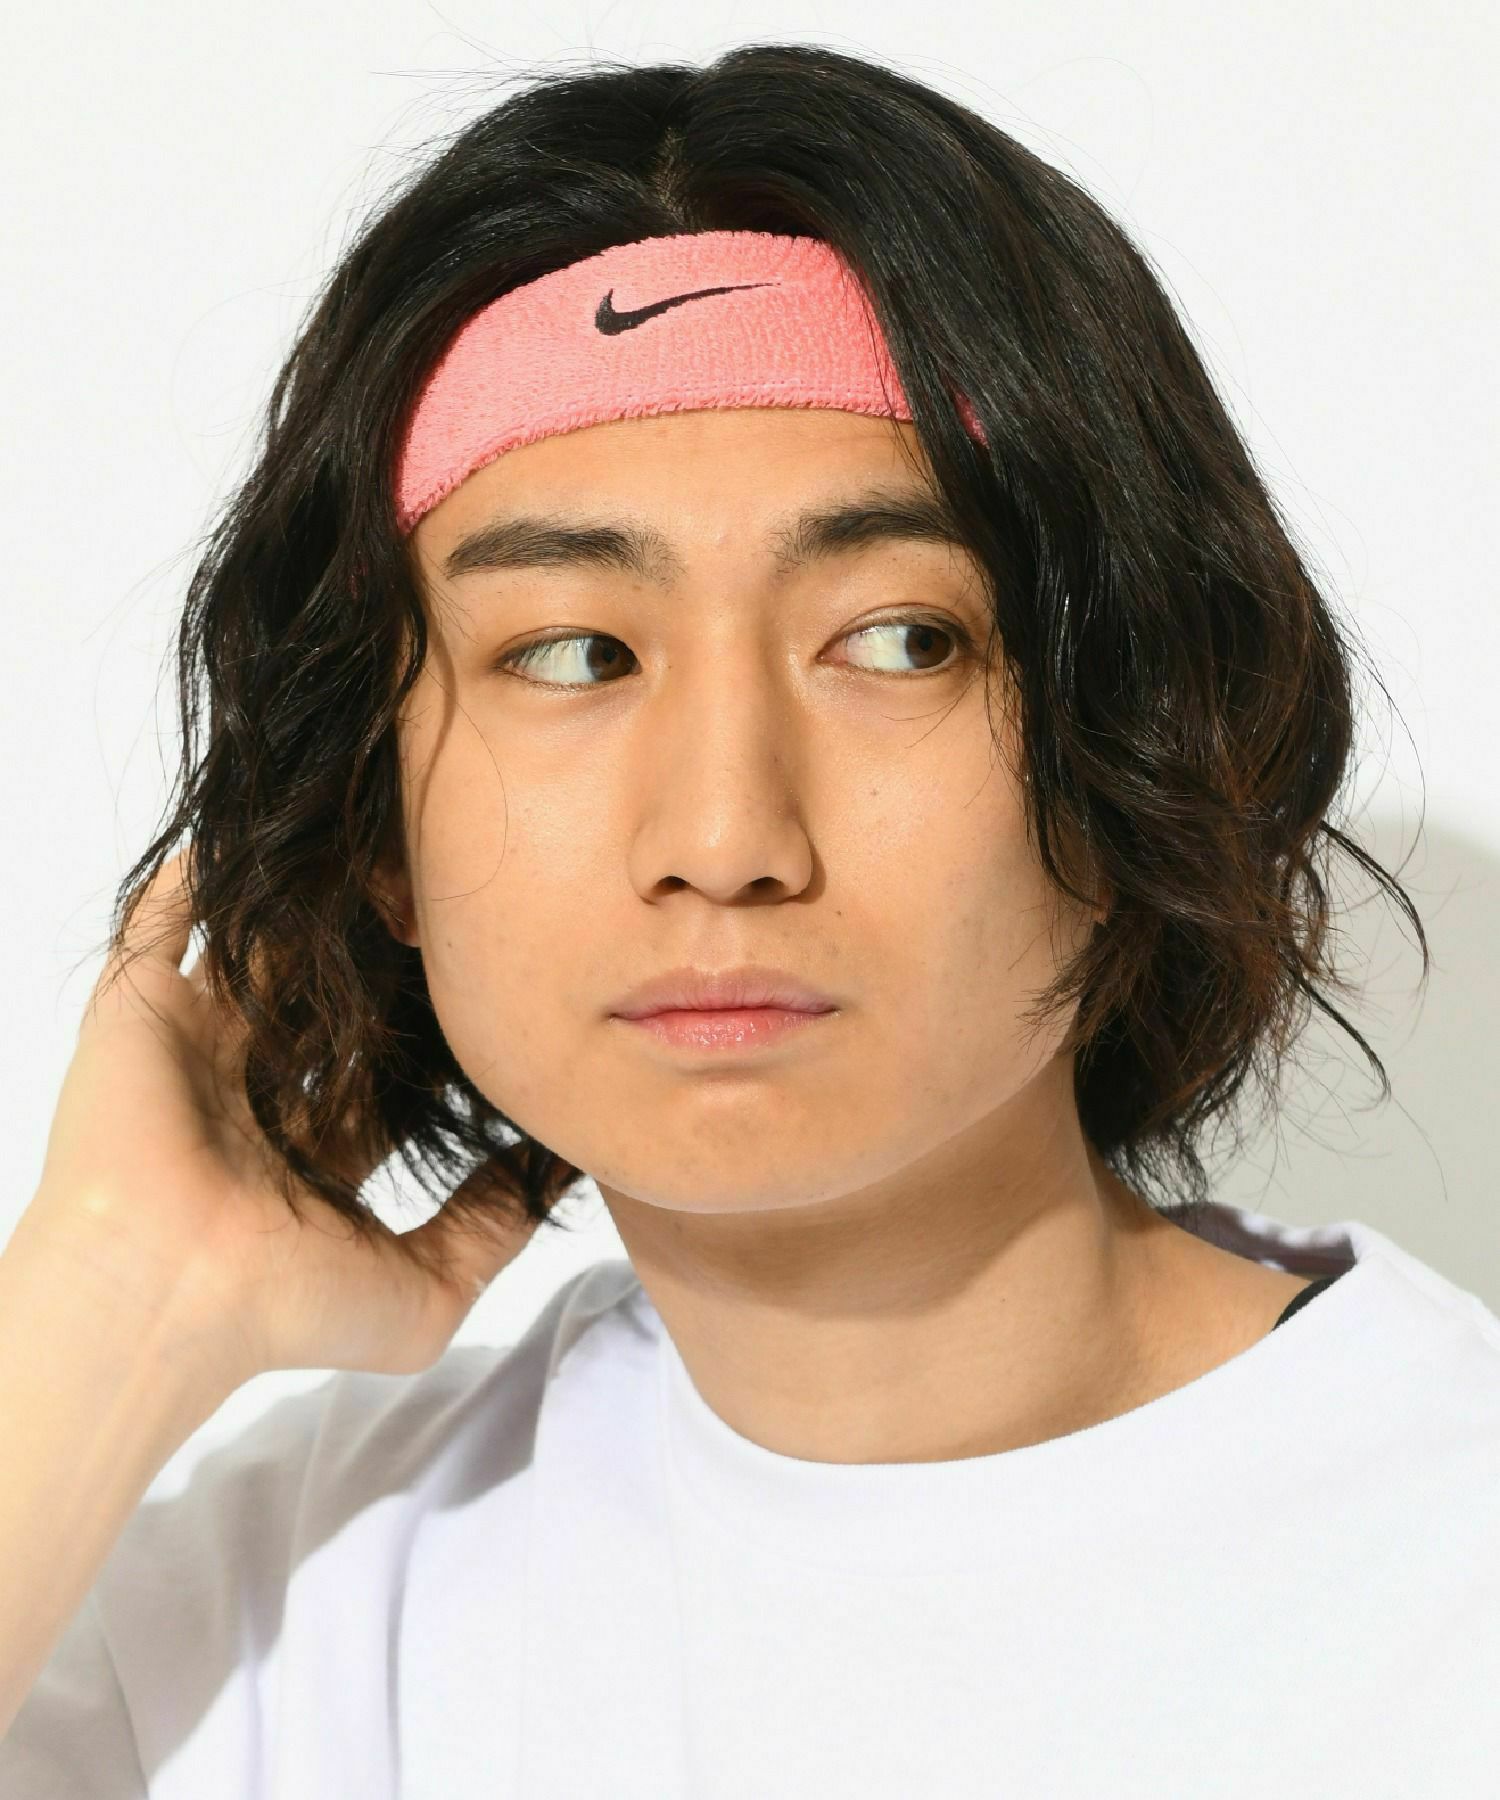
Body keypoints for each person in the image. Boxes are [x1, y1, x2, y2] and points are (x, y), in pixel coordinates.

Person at [3, 40, 1496, 1800]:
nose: (723, 839)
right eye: (573, 654)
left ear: (1136, 744)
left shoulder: (1446, 1568)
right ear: (375, 823)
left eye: (900, 641)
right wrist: (116, 1297)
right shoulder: (257, 1609)